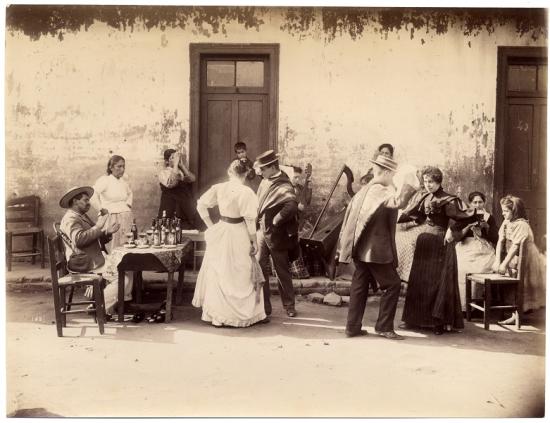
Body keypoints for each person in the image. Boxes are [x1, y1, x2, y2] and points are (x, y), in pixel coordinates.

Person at [336, 155, 418, 340]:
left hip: (359, 247)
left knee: (360, 285)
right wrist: (410, 182)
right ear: (387, 172)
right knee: (393, 285)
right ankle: (383, 327)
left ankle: (352, 327)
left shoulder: (364, 190)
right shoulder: (379, 190)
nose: (393, 178)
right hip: (374, 250)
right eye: (393, 175)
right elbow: (398, 202)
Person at [400, 166, 477, 334]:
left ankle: (437, 322)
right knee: (419, 280)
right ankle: (414, 320)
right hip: (425, 243)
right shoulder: (424, 198)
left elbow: (467, 217)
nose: (428, 185)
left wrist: (452, 229)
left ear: (439, 182)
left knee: (437, 282)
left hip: (441, 243)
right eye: (426, 181)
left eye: (432, 182)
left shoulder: (449, 200)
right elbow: (414, 215)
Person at [191, 160, 267, 327]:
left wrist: (211, 226)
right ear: (246, 173)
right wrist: (254, 241)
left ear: (229, 172)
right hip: (239, 231)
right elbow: (249, 219)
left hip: (223, 229)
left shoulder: (219, 188)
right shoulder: (246, 192)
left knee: (221, 270)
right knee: (240, 270)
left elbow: (201, 205)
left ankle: (218, 316)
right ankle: (240, 315)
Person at [59, 186, 132, 317]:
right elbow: (79, 240)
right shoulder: (71, 218)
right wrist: (99, 226)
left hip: (92, 256)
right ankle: (99, 307)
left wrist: (107, 232)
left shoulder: (81, 216)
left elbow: (92, 236)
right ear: (75, 201)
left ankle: (108, 306)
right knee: (123, 279)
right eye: (86, 200)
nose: (89, 203)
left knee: (127, 268)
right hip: (83, 261)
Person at [255, 150, 299, 318]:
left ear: (273, 167)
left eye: (263, 169)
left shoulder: (283, 183)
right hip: (262, 232)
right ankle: (264, 308)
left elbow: (291, 206)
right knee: (260, 267)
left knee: (282, 270)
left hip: (277, 234)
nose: (260, 172)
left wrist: (276, 220)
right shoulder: (265, 181)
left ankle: (289, 305)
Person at [492, 195, 546, 324]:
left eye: (506, 211)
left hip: (526, 257)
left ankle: (517, 315)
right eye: (502, 210)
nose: (503, 213)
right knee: (513, 286)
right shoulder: (506, 223)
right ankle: (514, 314)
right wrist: (497, 260)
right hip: (514, 257)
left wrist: (504, 264)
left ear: (514, 211)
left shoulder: (522, 224)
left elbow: (516, 246)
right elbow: (500, 241)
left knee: (523, 286)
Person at [453, 191, 498, 311]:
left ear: (484, 203)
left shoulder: (489, 217)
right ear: (470, 203)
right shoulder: (464, 216)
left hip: (483, 247)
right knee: (461, 268)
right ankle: (463, 307)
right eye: (475, 202)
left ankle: (479, 306)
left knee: (485, 266)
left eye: (480, 202)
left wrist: (486, 229)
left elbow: (495, 238)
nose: (478, 205)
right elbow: (456, 237)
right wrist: (468, 226)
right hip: (465, 246)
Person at [90, 155, 134, 252]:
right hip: (111, 218)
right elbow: (93, 194)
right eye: (119, 166)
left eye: (123, 166)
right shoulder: (105, 180)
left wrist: (128, 204)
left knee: (127, 244)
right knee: (113, 246)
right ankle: (112, 265)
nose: (122, 169)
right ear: (111, 167)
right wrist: (101, 209)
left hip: (126, 217)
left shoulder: (123, 181)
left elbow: (130, 193)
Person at [158, 148, 199, 229]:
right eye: (173, 158)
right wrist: (176, 165)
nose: (176, 159)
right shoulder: (163, 173)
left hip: (182, 207)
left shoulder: (180, 172)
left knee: (184, 229)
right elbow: (171, 184)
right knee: (168, 229)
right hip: (169, 206)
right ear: (166, 161)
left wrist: (182, 166)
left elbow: (192, 179)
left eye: (177, 157)